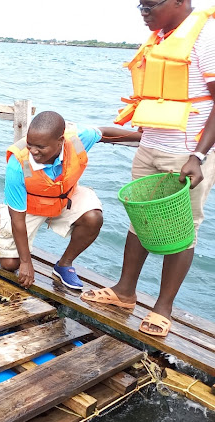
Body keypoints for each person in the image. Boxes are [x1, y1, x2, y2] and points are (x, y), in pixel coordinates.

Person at [81, 0, 215, 338]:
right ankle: (125, 292)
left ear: (181, 2)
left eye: (150, 4)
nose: (143, 11)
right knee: (138, 218)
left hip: (187, 155)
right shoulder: (159, 39)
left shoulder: (206, 37)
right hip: (150, 147)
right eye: (139, 5)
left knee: (184, 229)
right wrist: (105, 134)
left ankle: (163, 307)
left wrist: (198, 156)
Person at [0, 111, 141, 290]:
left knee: (93, 217)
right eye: (30, 144)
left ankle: (64, 264)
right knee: (10, 264)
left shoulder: (77, 142)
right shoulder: (18, 165)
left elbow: (103, 134)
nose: (33, 151)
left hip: (63, 199)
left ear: (60, 141)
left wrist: (143, 138)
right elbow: (18, 218)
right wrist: (26, 262)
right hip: (29, 206)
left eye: (40, 147)